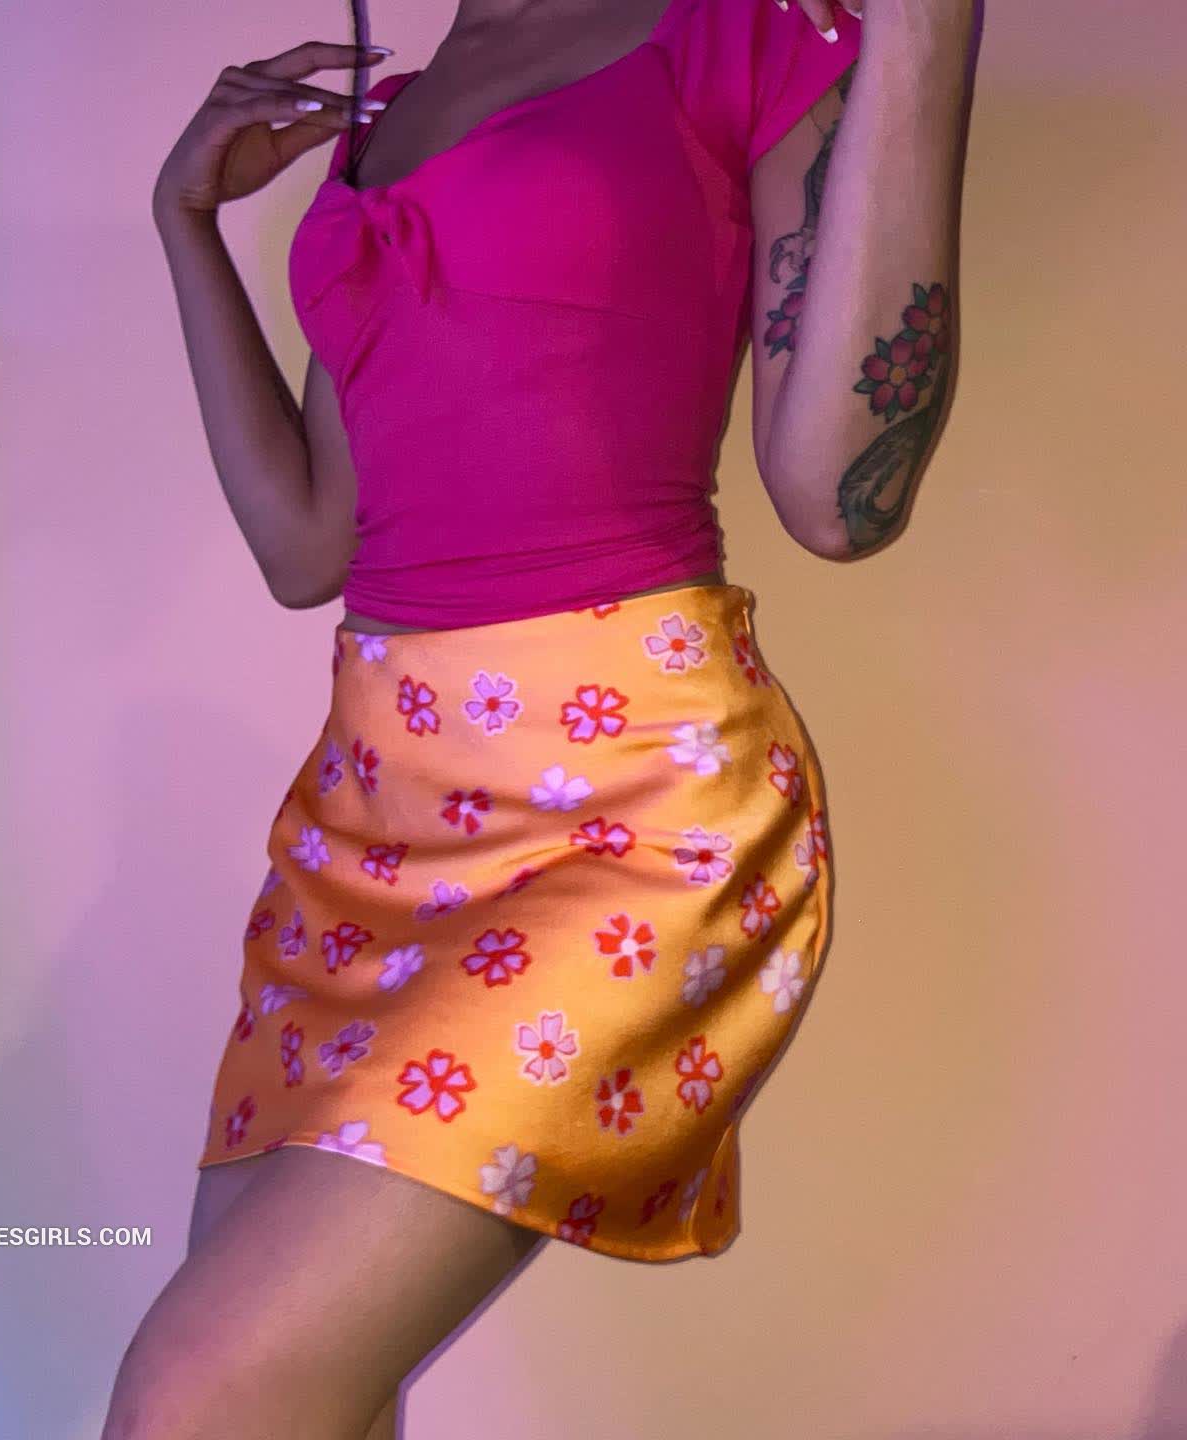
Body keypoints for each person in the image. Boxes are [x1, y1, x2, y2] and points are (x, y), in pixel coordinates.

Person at [103, 0, 972, 1435]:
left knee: (200, 1396)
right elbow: (309, 543)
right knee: (304, 1402)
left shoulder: (729, 37)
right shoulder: (390, 116)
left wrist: (927, 27)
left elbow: (839, 494)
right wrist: (185, 228)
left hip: (618, 808)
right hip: (365, 823)